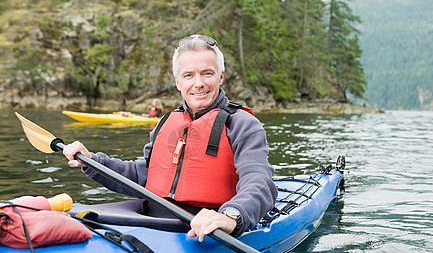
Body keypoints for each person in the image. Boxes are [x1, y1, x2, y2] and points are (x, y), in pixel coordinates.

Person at [63, 34, 277, 241]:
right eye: (188, 75)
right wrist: (91, 161)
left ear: (221, 76)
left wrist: (231, 217)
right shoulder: (166, 122)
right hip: (150, 223)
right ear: (178, 82)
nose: (198, 83)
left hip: (206, 227)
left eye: (207, 73)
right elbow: (144, 175)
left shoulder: (242, 124)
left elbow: (258, 180)